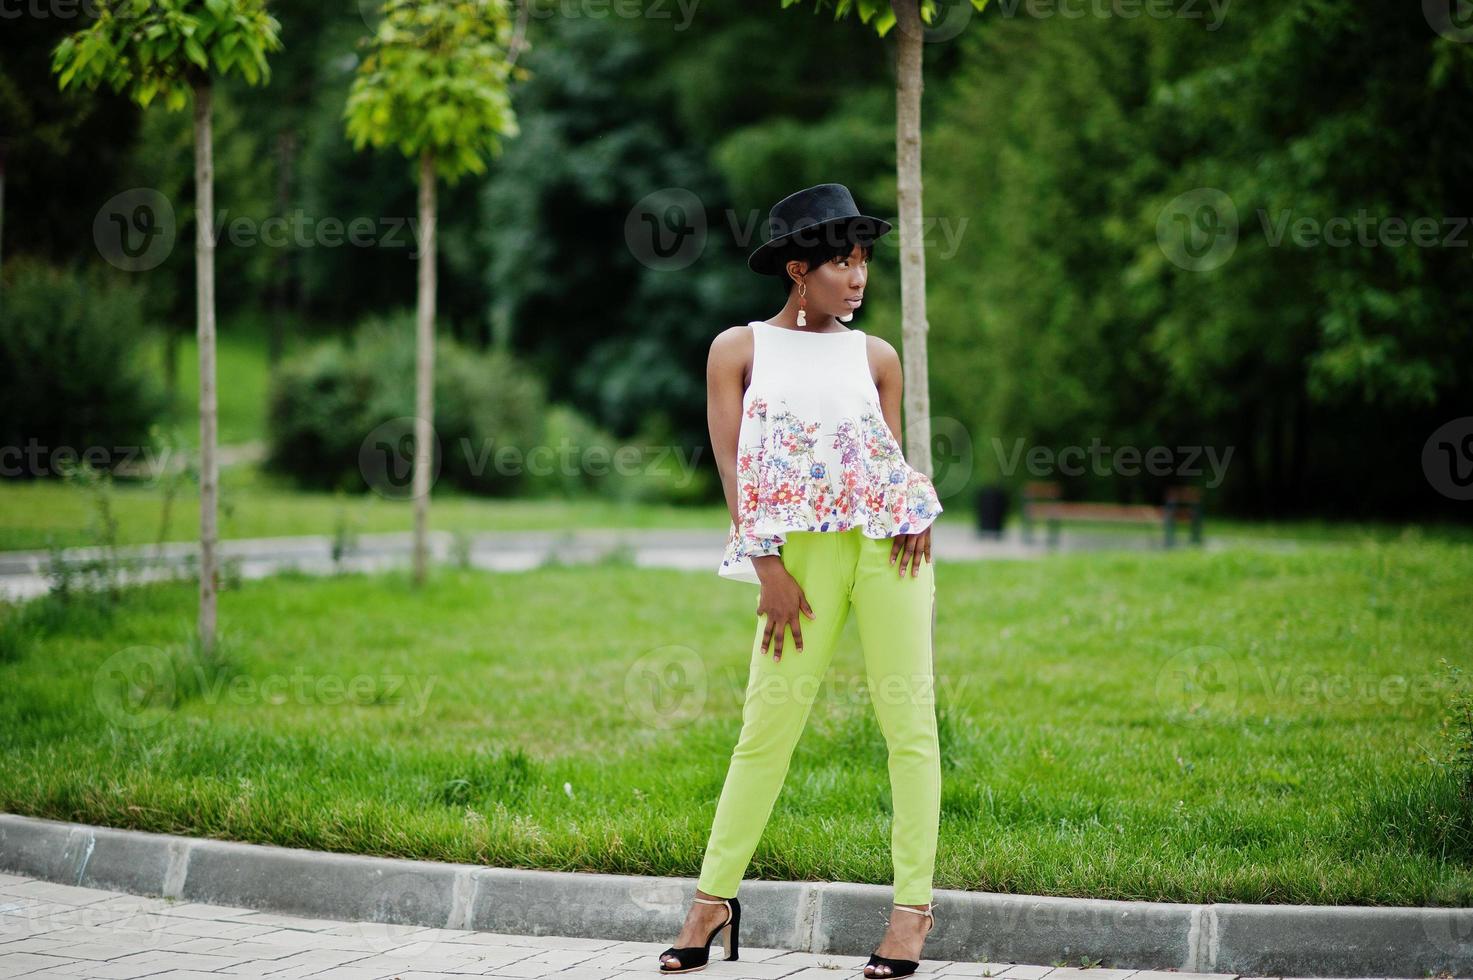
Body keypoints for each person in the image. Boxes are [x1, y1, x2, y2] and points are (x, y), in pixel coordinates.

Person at [658, 184, 944, 978]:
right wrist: (768, 566)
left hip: (893, 549)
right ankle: (711, 901)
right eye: (841, 265)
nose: (857, 279)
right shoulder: (738, 349)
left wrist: (913, 506)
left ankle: (911, 914)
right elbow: (730, 460)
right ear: (796, 268)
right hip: (799, 559)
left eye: (863, 264)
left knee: (908, 727)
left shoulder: (876, 355)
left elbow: (884, 455)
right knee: (765, 728)